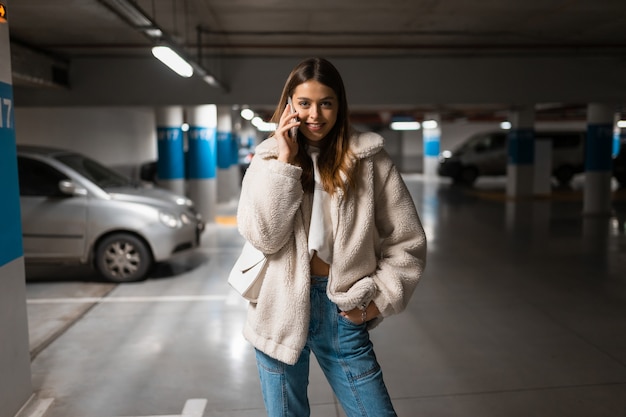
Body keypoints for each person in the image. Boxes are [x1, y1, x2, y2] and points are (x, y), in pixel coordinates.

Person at [236, 57, 427, 417]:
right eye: (304, 103)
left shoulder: (370, 159)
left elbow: (407, 240)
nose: (315, 115)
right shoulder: (266, 160)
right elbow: (264, 237)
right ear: (289, 105)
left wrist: (375, 303)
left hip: (342, 310)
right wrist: (285, 165)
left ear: (339, 105)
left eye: (326, 103)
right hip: (278, 310)